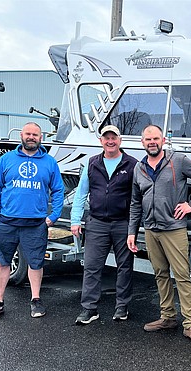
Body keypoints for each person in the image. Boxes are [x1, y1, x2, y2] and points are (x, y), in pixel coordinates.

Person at [127, 124, 191, 344]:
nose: (152, 142)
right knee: (160, 274)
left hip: (174, 229)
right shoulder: (139, 168)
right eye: (148, 139)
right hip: (151, 230)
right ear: (142, 142)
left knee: (182, 276)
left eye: (156, 138)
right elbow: (136, 202)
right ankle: (167, 317)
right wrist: (132, 232)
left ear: (163, 140)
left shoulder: (178, 161)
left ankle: (190, 324)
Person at [0, 122, 64, 320]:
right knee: (3, 261)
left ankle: (36, 300)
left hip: (36, 224)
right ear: (21, 135)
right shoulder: (7, 159)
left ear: (41, 138)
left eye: (35, 134)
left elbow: (58, 190)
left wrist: (53, 216)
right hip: (7, 222)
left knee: (36, 263)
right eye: (28, 133)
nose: (31, 137)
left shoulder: (49, 162)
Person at [71, 125, 138, 325]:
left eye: (114, 138)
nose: (110, 141)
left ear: (120, 140)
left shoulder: (132, 164)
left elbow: (137, 197)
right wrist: (76, 220)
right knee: (92, 266)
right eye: (106, 138)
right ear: (101, 141)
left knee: (124, 267)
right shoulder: (92, 163)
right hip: (97, 223)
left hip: (122, 224)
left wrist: (134, 227)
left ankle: (122, 307)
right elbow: (81, 193)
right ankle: (89, 309)